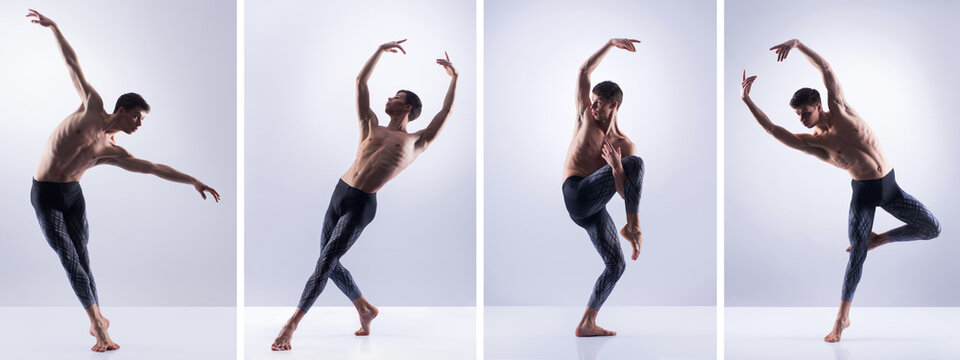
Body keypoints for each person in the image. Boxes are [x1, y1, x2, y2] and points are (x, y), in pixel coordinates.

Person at [26, 9, 221, 352]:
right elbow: (73, 64)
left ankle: (96, 319)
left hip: (73, 194)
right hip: (44, 193)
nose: (138, 125)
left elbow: (154, 168)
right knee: (68, 257)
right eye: (137, 117)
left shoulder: (115, 152)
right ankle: (100, 327)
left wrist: (193, 180)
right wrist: (54, 27)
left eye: (141, 120)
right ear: (122, 110)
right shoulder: (91, 106)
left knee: (82, 257)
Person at [741, 39, 941, 342]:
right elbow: (772, 129)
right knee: (856, 255)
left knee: (931, 228)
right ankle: (841, 318)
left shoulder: (842, 109)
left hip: (890, 187)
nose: (802, 118)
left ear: (819, 106)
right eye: (798, 115)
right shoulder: (814, 143)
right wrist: (747, 101)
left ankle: (880, 239)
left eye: (805, 111)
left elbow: (825, 69)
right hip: (863, 193)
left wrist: (797, 45)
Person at [271, 39, 459, 351]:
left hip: (361, 205)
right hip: (339, 192)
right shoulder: (370, 125)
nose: (389, 99)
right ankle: (365, 309)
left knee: (326, 261)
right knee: (326, 261)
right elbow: (360, 82)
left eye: (396, 98)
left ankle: (291, 325)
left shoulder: (416, 141)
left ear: (408, 107)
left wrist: (454, 79)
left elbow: (446, 110)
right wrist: (379, 51)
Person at [562, 38, 644, 337]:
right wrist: (609, 44)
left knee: (616, 265)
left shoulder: (625, 144)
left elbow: (625, 192)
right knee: (636, 164)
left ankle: (586, 323)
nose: (593, 106)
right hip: (575, 192)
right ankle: (634, 228)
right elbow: (584, 70)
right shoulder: (585, 117)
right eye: (592, 101)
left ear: (614, 105)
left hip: (593, 208)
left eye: (599, 103)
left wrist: (616, 166)